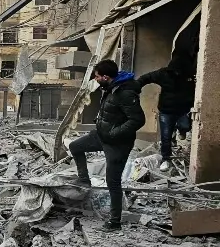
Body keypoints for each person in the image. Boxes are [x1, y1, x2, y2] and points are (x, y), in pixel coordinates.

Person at [69, 59, 145, 231]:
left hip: (118, 144)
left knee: (113, 182)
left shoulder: (125, 93)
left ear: (105, 77)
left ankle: (114, 222)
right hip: (101, 136)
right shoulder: (111, 88)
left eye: (97, 76)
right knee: (75, 146)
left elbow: (138, 120)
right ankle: (84, 180)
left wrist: (114, 132)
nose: (95, 79)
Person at [137, 57, 196, 171]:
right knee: (166, 137)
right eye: (175, 71)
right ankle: (165, 159)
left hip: (183, 110)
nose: (177, 73)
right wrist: (136, 87)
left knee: (185, 126)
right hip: (166, 111)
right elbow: (146, 78)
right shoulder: (163, 74)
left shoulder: (189, 75)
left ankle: (179, 130)